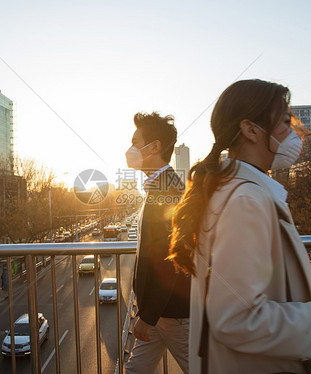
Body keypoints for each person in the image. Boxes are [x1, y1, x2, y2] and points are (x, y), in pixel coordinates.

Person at [168, 79, 311, 373]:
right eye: (285, 122)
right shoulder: (246, 199)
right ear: (251, 129)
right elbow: (236, 319)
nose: (294, 133)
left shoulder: (238, 190)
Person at [125, 112, 190, 373]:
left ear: (154, 147)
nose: (129, 149)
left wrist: (148, 317)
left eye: (135, 141)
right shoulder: (159, 187)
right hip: (159, 314)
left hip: (173, 314)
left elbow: (170, 259)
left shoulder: (168, 190)